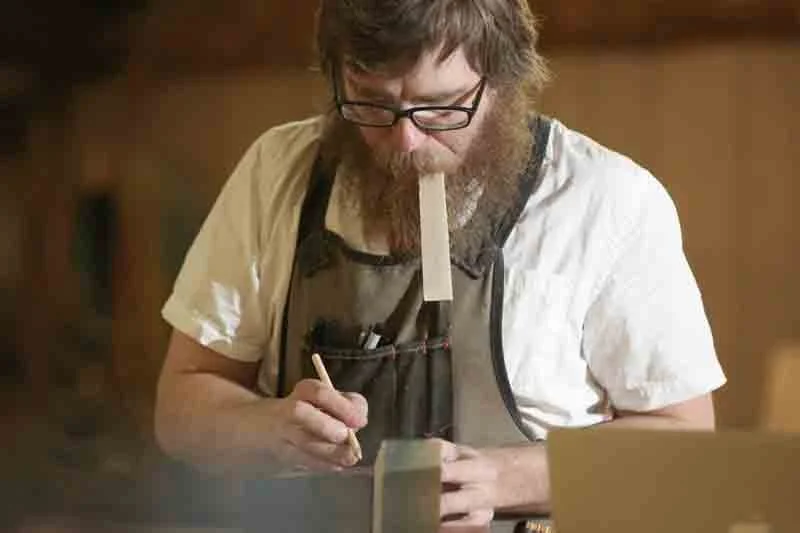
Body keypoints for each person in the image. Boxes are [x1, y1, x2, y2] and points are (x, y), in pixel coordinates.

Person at [154, 0, 727, 531]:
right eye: (371, 102)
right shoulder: (279, 172)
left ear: (502, 79)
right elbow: (182, 407)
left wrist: (505, 479)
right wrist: (270, 429)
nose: (405, 141)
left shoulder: (603, 199)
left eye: (442, 108)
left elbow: (683, 442)